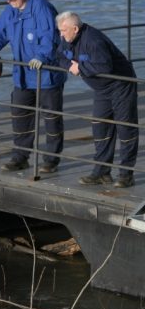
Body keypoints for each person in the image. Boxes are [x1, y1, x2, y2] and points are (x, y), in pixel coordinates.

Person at [0, 0, 65, 173]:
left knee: (51, 119)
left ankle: (51, 160)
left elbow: (50, 38)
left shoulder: (42, 9)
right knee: (20, 116)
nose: (8, 2)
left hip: (46, 75)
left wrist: (42, 57)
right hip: (23, 75)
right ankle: (20, 157)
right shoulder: (11, 11)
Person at [57, 11, 139, 188]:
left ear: (75, 28)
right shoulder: (66, 38)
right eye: (59, 31)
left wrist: (81, 67)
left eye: (63, 30)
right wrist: (70, 67)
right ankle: (102, 172)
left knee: (126, 129)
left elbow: (105, 66)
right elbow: (60, 56)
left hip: (120, 84)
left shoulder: (94, 41)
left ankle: (126, 174)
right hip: (101, 89)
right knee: (100, 127)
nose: (60, 35)